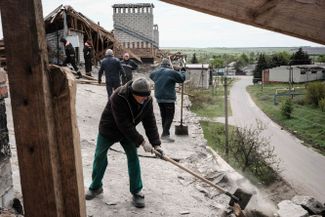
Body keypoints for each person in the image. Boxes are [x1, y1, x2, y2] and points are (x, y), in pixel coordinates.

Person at [85, 77, 163, 208]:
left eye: (146, 97)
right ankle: (96, 187)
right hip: (109, 128)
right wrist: (142, 142)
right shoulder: (119, 96)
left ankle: (137, 191)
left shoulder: (147, 100)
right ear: (133, 94)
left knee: (133, 157)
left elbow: (150, 122)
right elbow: (123, 123)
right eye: (142, 98)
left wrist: (156, 144)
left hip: (128, 132)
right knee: (99, 156)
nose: (144, 100)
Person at [150, 58, 186, 143]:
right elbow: (181, 79)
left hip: (159, 97)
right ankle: (165, 135)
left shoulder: (157, 72)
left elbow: (151, 75)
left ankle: (165, 133)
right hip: (168, 98)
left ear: (161, 64)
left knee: (164, 116)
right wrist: (182, 71)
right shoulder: (171, 72)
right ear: (169, 65)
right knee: (169, 117)